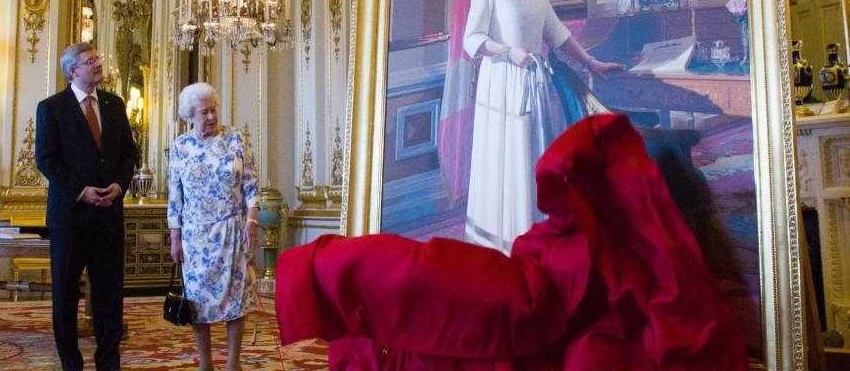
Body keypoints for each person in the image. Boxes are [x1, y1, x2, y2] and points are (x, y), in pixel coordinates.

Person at [274, 115, 750, 371]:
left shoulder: (662, 298)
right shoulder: (597, 240)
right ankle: (326, 275)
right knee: (446, 284)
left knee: (445, 286)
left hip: (538, 303)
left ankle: (326, 275)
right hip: (535, 289)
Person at [463, 0, 622, 253]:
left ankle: (536, 237)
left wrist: (591, 63)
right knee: (511, 158)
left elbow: (554, 30)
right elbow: (471, 39)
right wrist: (509, 52)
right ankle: (505, 241)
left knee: (534, 157)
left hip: (534, 84)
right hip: (503, 85)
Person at [35, 42, 138, 371]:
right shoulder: (51, 108)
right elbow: (47, 159)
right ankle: (71, 364)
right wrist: (80, 192)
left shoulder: (114, 104)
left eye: (98, 59)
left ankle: (109, 363)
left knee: (109, 296)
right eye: (90, 61)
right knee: (65, 296)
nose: (98, 64)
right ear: (72, 70)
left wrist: (118, 187)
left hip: (109, 214)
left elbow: (128, 154)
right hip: (69, 217)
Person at [167, 82, 258, 371]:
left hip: (232, 229)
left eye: (213, 110)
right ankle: (205, 363)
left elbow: (251, 184)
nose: (211, 116)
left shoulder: (235, 138)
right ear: (190, 115)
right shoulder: (181, 146)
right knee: (197, 300)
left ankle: (233, 363)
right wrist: (175, 238)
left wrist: (251, 220)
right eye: (204, 112)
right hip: (196, 236)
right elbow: (175, 197)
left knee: (236, 297)